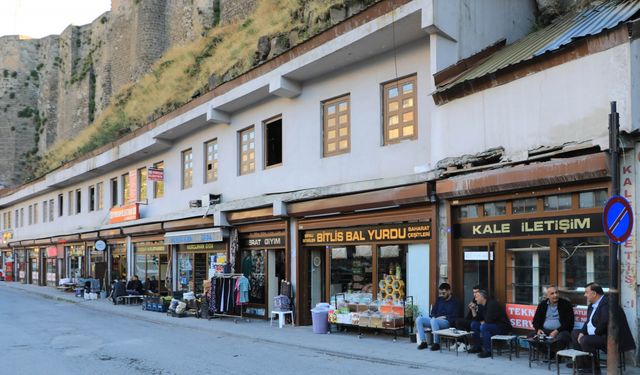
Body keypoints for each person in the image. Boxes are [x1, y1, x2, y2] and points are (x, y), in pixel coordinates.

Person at [416, 283, 460, 351]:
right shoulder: (439, 299)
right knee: (419, 319)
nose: (442, 295)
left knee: (433, 320)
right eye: (440, 293)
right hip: (435, 320)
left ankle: (436, 343)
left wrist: (443, 317)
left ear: (449, 291)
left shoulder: (455, 301)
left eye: (443, 293)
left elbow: (455, 315)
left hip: (447, 322)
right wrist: (436, 317)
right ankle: (423, 342)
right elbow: (433, 312)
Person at [469, 290, 512, 358]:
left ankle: (488, 351)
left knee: (484, 327)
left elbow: (488, 321)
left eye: (476, 297)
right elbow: (477, 319)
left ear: (482, 297)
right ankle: (477, 347)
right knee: (474, 324)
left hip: (502, 327)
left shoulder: (492, 304)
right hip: (492, 325)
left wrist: (482, 322)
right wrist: (473, 309)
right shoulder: (482, 305)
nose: (475, 299)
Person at [530, 285, 573, 350]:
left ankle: (554, 355)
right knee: (530, 337)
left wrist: (557, 331)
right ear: (547, 296)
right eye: (552, 294)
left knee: (562, 338)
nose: (555, 295)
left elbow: (569, 322)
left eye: (556, 292)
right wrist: (538, 329)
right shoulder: (542, 305)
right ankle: (548, 353)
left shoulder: (566, 304)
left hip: (561, 331)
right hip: (545, 331)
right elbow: (535, 320)